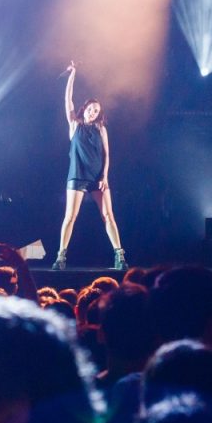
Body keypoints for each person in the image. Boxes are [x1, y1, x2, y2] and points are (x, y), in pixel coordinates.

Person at [53, 62, 127, 271]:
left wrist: (104, 177)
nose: (93, 112)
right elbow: (67, 99)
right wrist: (73, 75)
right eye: (91, 109)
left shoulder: (101, 129)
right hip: (77, 176)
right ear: (84, 108)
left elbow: (107, 154)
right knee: (70, 216)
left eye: (97, 111)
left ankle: (119, 255)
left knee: (108, 216)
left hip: (97, 177)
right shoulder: (74, 125)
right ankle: (61, 257)